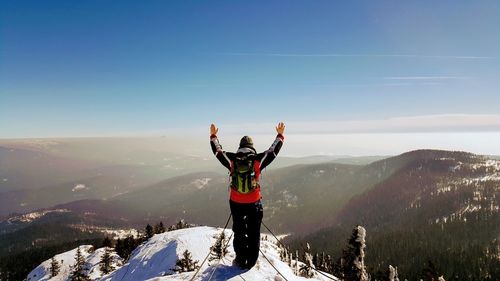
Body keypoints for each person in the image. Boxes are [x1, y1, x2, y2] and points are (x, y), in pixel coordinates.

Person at [210, 122, 285, 269]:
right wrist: (280, 136)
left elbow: (218, 152)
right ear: (251, 147)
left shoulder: (232, 160)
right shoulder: (257, 160)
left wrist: (213, 136)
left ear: (240, 146)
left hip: (236, 201)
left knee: (238, 229)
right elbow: (273, 152)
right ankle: (251, 261)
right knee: (253, 231)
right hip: (253, 202)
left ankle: (240, 258)